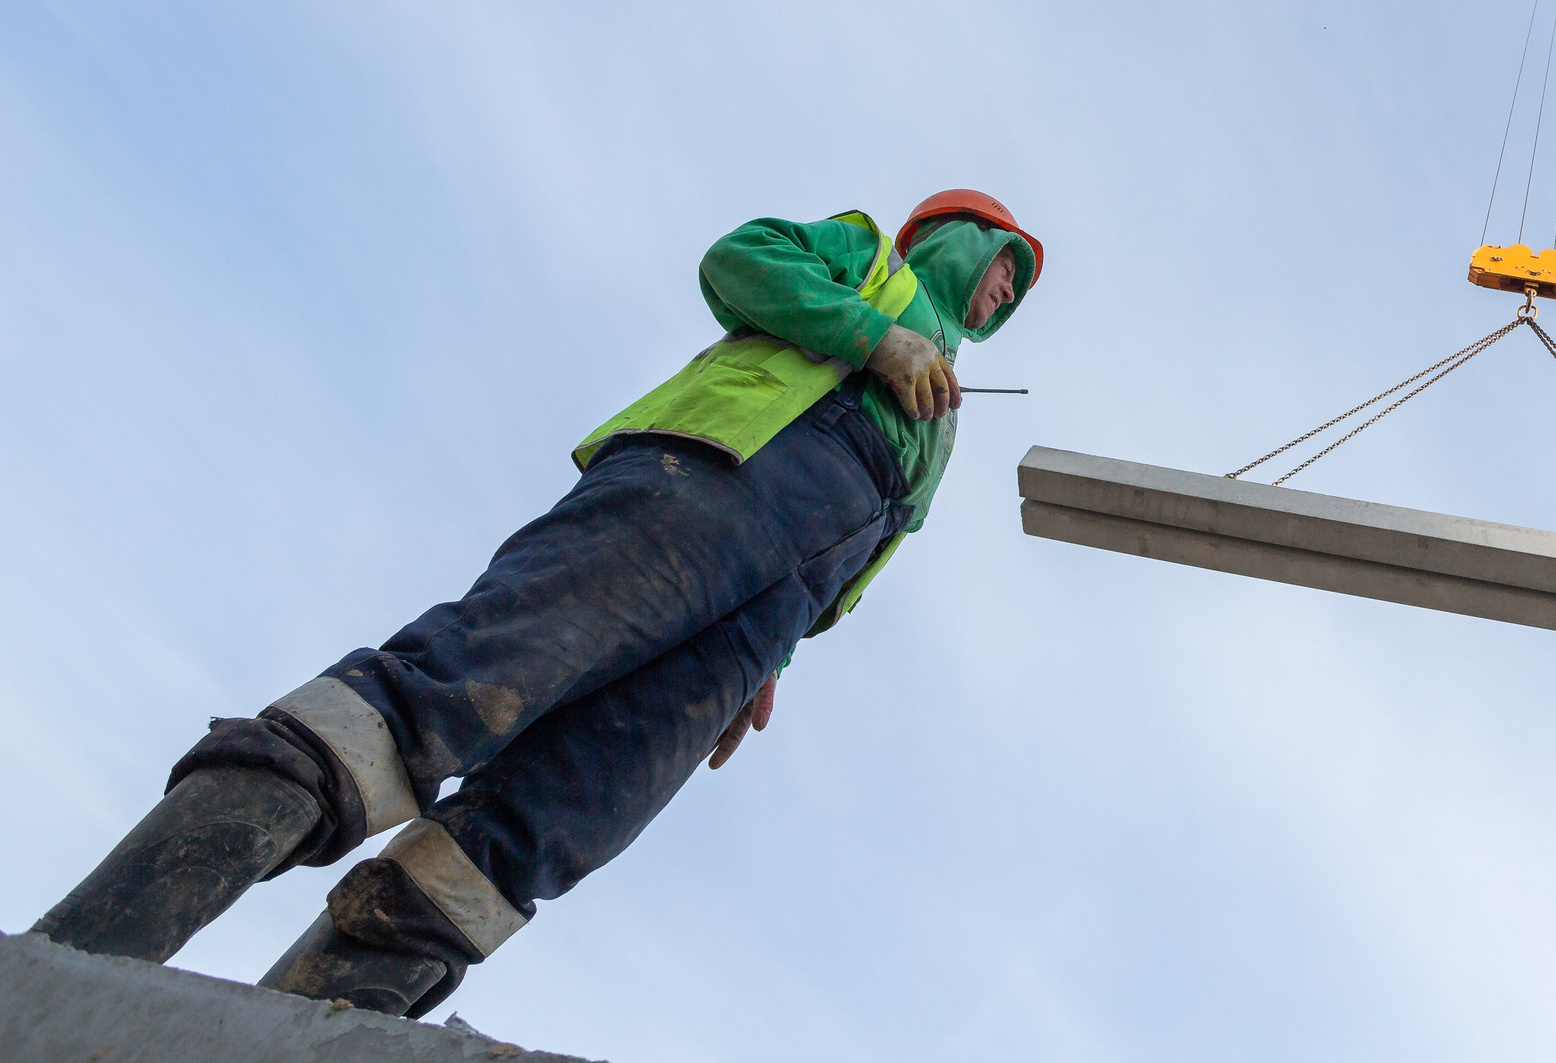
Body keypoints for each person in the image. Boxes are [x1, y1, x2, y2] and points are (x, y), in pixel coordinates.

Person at [30, 190, 1040, 1018]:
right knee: (468, 686)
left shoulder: (944, 419)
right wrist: (871, 336)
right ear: (956, 236)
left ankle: (273, 1060)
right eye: (1005, 263)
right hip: (711, 488)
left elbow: (862, 558)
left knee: (557, 821)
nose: (1005, 290)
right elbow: (740, 259)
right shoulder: (873, 261)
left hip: (765, 614)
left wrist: (768, 670)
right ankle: (84, 957)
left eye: (1014, 289)